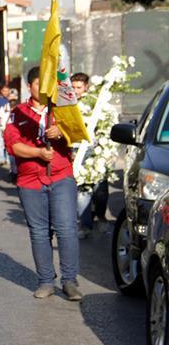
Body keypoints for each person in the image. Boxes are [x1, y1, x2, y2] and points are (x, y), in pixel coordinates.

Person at [4, 66, 82, 301]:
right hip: (30, 180)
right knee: (39, 232)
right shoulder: (17, 113)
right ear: (30, 86)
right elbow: (13, 146)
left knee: (66, 229)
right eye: (39, 84)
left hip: (60, 176)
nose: (43, 89)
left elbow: (78, 133)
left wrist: (62, 132)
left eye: (48, 84)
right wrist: (38, 152)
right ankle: (46, 281)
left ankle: (70, 281)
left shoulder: (62, 109)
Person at [71, 72, 109, 238]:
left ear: (86, 87)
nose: (76, 90)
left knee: (100, 190)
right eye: (73, 87)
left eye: (79, 87)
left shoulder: (95, 103)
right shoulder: (67, 104)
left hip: (96, 151)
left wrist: (105, 148)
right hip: (77, 151)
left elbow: (105, 124)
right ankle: (85, 225)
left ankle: (100, 216)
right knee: (82, 189)